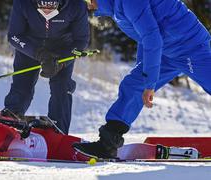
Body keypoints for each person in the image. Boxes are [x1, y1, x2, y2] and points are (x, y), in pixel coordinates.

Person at [73, 0, 211, 158]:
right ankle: (107, 145)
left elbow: (152, 38)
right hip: (165, 51)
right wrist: (144, 74)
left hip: (190, 46)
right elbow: (144, 38)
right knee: (133, 85)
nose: (86, 4)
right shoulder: (117, 7)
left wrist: (150, 84)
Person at [0, 110, 199, 161]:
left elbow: (23, 154)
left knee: (113, 156)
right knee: (107, 154)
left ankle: (174, 152)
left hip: (53, 148)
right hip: (48, 142)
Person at [4, 0, 90, 134]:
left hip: (62, 50)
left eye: (51, 4)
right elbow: (14, 36)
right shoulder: (22, 3)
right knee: (21, 87)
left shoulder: (77, 5)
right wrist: (38, 53)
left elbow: (81, 40)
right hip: (30, 47)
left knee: (62, 86)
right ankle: (9, 122)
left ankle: (58, 130)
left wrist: (61, 62)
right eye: (43, 3)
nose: (47, 9)